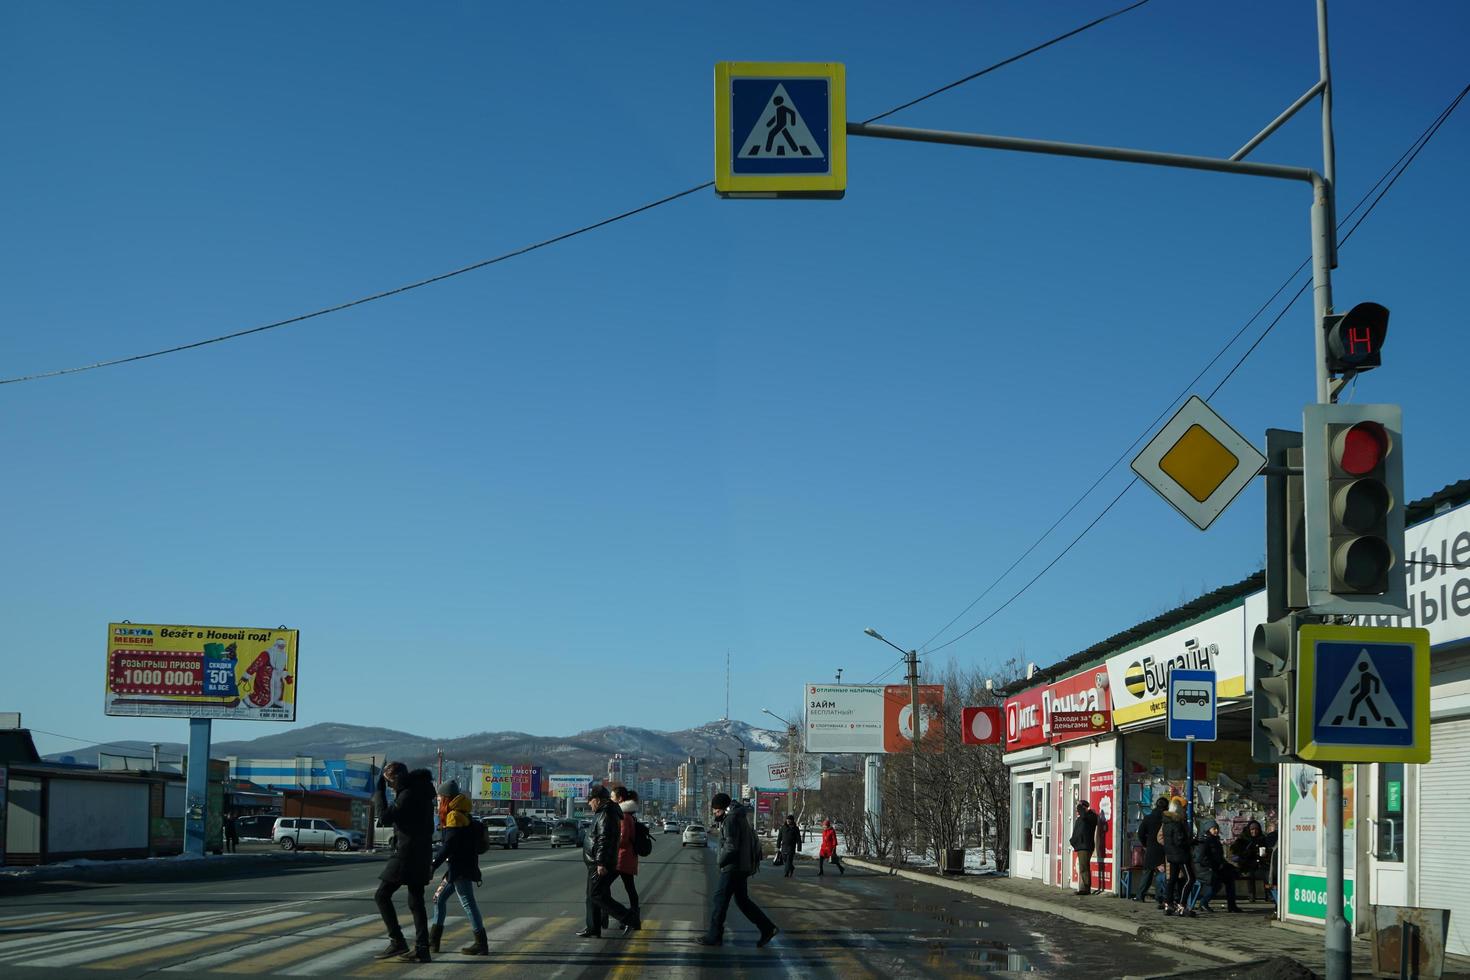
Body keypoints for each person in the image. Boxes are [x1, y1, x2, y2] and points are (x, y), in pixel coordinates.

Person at [372, 762, 436, 962]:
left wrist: (378, 792)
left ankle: (397, 941)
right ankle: (422, 948)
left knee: (382, 895)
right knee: (416, 901)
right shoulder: (422, 790)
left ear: (397, 778)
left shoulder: (408, 794)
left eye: (390, 782)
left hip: (407, 852)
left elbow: (384, 818)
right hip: (421, 852)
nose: (390, 787)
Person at [697, 793, 778, 947]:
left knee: (720, 900)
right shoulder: (739, 816)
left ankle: (714, 936)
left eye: (716, 811)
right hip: (741, 866)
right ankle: (767, 928)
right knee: (742, 901)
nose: (714, 814)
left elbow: (731, 846)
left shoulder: (731, 820)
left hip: (732, 867)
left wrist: (720, 861)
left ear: (723, 809)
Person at [429, 780, 488, 955]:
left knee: (468, 903)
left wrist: (433, 865)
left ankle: (481, 944)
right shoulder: (464, 813)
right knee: (438, 900)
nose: (439, 801)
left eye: (440, 798)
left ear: (446, 798)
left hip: (459, 869)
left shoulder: (454, 816)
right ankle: (434, 943)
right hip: (458, 867)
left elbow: (449, 845)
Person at [577, 785, 634, 939]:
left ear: (597, 800)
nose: (589, 804)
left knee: (597, 895)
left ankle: (629, 918)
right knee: (591, 895)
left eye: (590, 801)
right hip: (595, 862)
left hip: (600, 863)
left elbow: (604, 839)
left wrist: (601, 862)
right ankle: (593, 927)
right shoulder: (604, 812)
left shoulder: (606, 814)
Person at [1193, 820, 1242, 913]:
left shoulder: (1215, 840)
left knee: (1230, 877)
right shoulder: (1203, 841)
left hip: (1214, 867)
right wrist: (1214, 866)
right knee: (1216, 882)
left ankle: (1232, 905)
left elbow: (1219, 857)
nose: (1216, 831)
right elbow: (1200, 858)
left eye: (1217, 829)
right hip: (1204, 869)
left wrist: (1225, 865)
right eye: (1214, 829)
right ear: (1208, 830)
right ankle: (1203, 902)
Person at [611, 786, 642, 932]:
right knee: (630, 888)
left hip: (621, 858)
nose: (611, 800)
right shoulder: (628, 815)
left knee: (601, 889)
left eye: (613, 797)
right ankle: (633, 916)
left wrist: (610, 842)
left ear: (620, 799)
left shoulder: (623, 816)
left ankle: (627, 916)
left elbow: (622, 839)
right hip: (626, 857)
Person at [1160, 796, 1196, 917]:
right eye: (1184, 809)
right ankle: (1182, 905)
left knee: (1172, 880)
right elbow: (1180, 841)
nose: (1185, 811)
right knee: (1190, 879)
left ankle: (1168, 904)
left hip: (1170, 855)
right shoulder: (1177, 823)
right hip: (1181, 854)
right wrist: (1192, 842)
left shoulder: (1166, 822)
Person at [1133, 796, 1169, 903]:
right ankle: (1160, 896)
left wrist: (1145, 843)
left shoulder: (1149, 818)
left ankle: (1140, 895)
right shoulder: (1166, 819)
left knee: (1147, 873)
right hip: (1163, 848)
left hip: (1151, 848)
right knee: (1162, 874)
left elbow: (1140, 833)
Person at [1069, 801, 1099, 896]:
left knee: (1084, 867)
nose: (1077, 811)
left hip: (1085, 846)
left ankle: (1086, 888)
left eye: (1079, 809)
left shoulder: (1091, 816)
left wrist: (1080, 807)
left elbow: (1084, 817)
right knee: (1082, 867)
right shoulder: (1081, 818)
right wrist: (1073, 841)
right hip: (1080, 846)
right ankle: (1083, 887)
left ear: (1084, 808)